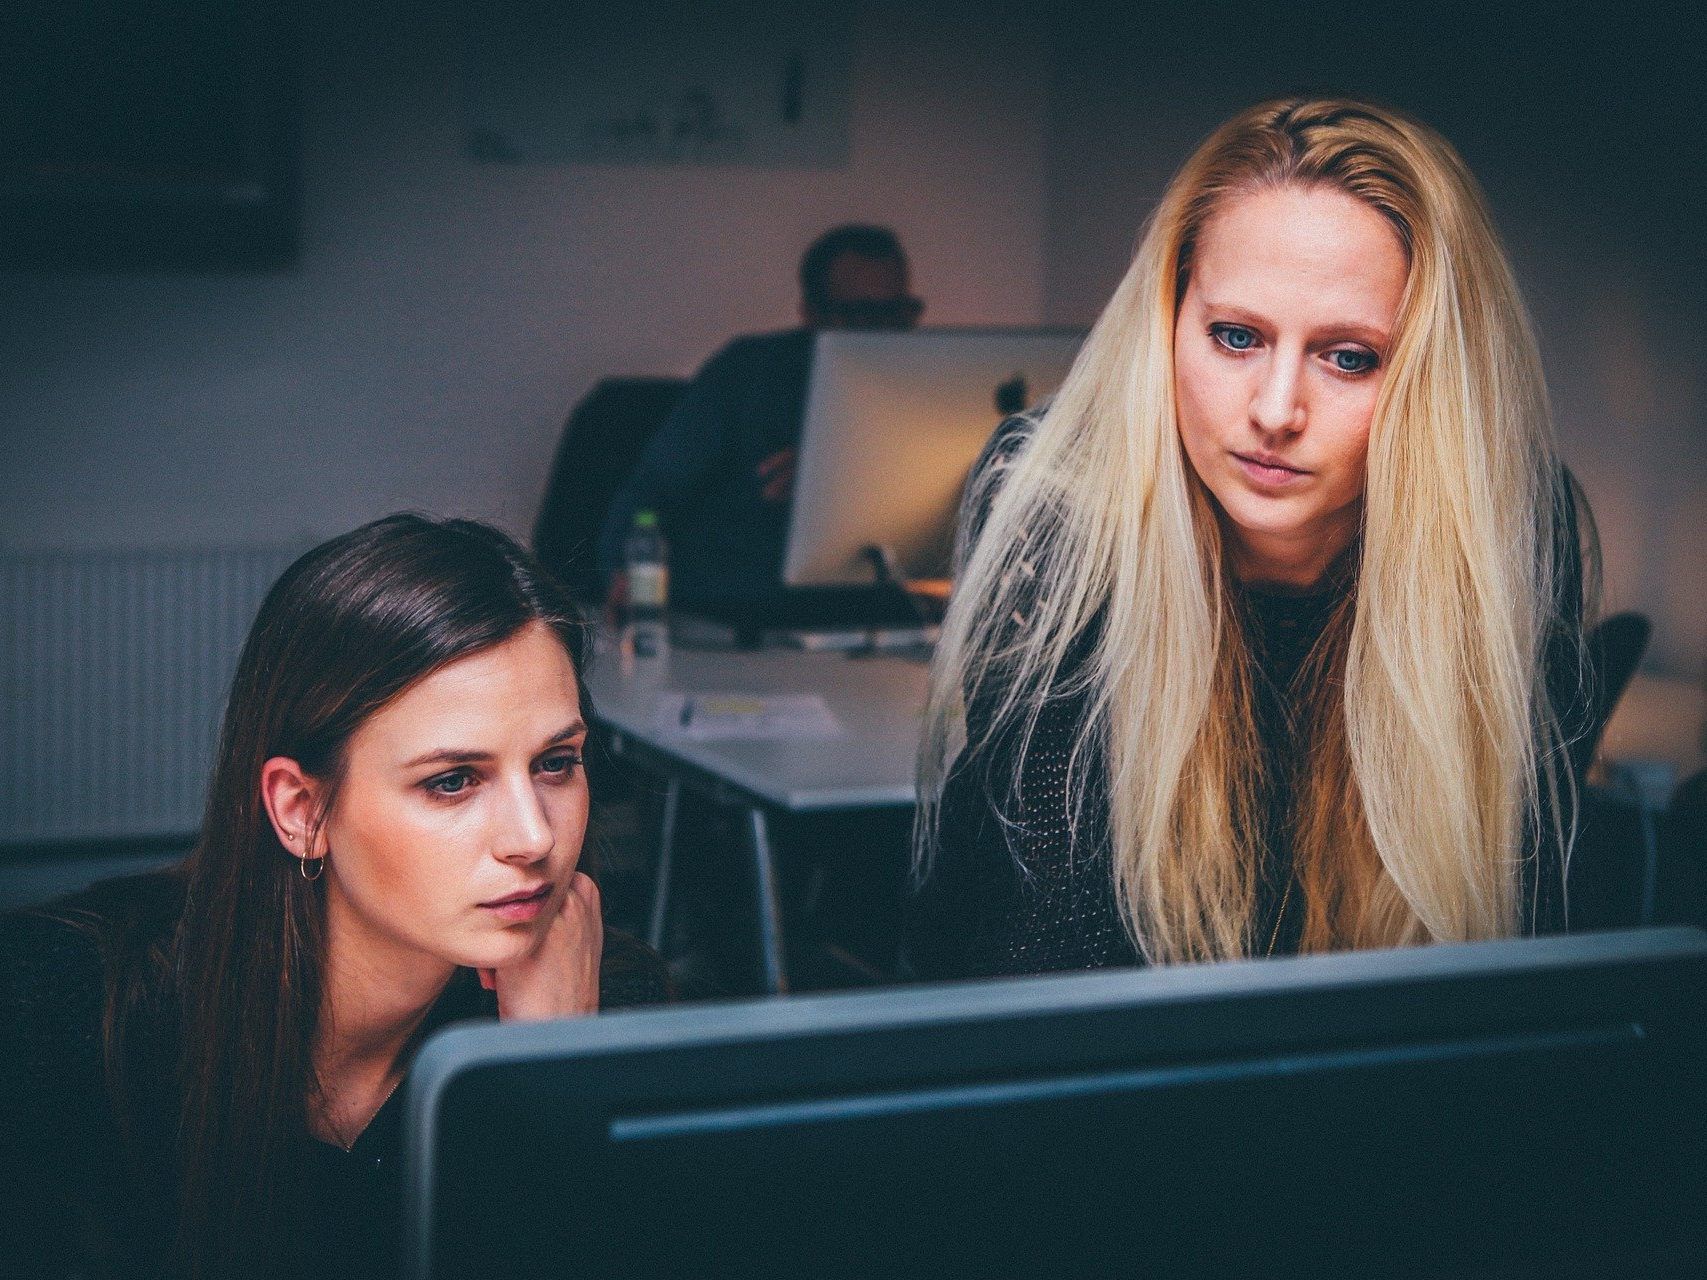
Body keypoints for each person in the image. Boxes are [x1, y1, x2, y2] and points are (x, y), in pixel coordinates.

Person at [907, 97, 1597, 981]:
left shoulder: (1511, 527)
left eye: (1349, 357)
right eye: (1234, 337)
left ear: (1434, 378)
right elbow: (1055, 949)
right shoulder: (1057, 501)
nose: (1275, 412)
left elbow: (1504, 945)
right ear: (1166, 322)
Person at [0, 515, 670, 1279]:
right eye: (451, 781)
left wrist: (546, 1076)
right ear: (301, 811)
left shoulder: (595, 1010)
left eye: (555, 763)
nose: (532, 838)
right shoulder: (55, 1014)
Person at [597, 223, 924, 614]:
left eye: (898, 313)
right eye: (861, 315)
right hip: (744, 607)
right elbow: (653, 489)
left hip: (874, 609)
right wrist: (627, 573)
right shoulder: (748, 374)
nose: (884, 333)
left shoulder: (922, 391)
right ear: (811, 315)